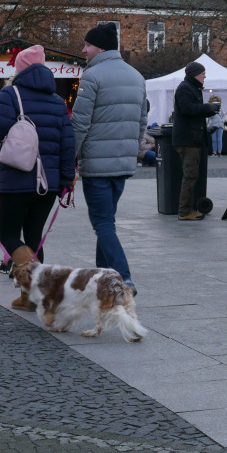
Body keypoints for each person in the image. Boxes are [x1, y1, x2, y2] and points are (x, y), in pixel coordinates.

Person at [0, 45, 75, 310]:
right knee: (34, 235)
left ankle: (43, 288)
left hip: (17, 176)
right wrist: (67, 179)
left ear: (20, 70)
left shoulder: (10, 94)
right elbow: (68, 143)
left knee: (9, 234)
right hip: (49, 183)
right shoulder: (58, 101)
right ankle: (30, 299)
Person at [72, 23, 146, 294]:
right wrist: (131, 152)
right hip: (121, 165)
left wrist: (71, 158)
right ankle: (103, 281)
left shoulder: (92, 77)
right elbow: (142, 121)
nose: (83, 50)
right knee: (106, 222)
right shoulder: (137, 76)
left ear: (100, 47)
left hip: (97, 164)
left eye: (87, 45)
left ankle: (123, 279)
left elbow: (79, 123)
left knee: (103, 223)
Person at [172, 61, 220, 221]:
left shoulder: (191, 88)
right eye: (202, 73)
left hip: (192, 138)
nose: (205, 76)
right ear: (194, 74)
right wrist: (207, 108)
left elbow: (192, 111)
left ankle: (186, 209)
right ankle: (184, 211)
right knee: (190, 175)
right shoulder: (185, 88)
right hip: (188, 139)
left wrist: (209, 111)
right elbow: (187, 109)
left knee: (191, 175)